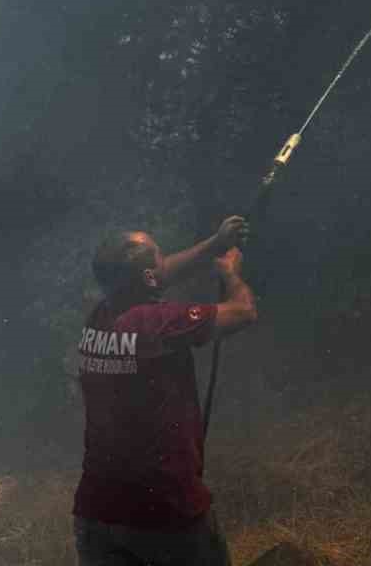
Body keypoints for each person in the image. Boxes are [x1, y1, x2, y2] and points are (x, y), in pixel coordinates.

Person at [72, 217, 258, 566]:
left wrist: (214, 243)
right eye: (159, 255)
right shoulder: (160, 323)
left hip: (97, 512)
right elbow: (244, 312)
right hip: (164, 513)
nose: (166, 260)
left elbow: (158, 274)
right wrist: (229, 272)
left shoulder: (99, 316)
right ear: (146, 278)